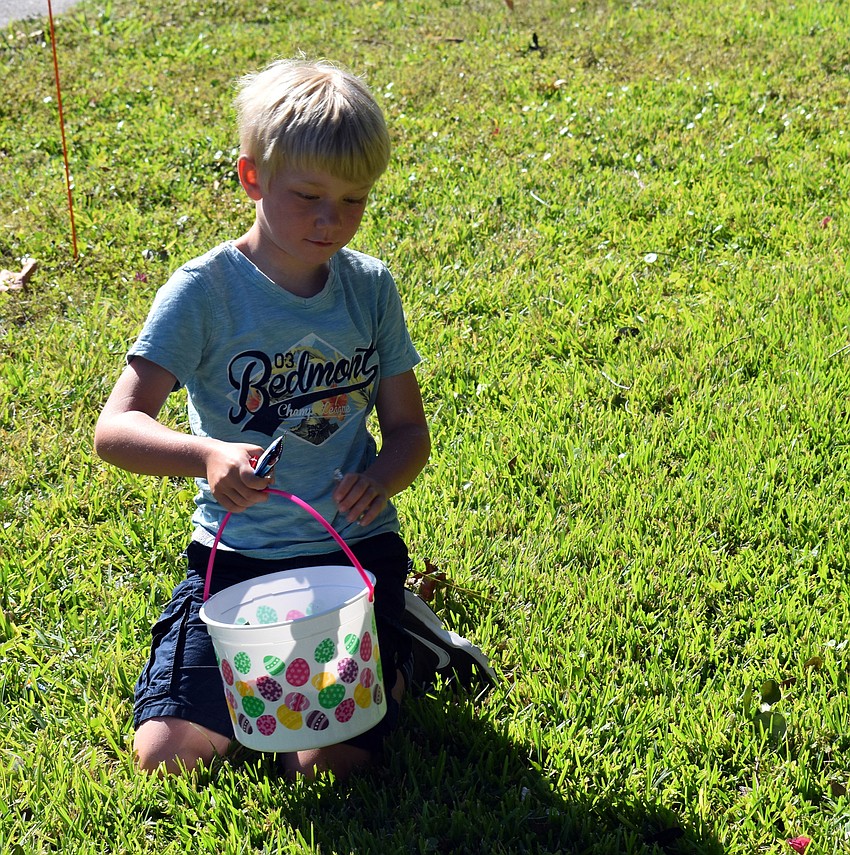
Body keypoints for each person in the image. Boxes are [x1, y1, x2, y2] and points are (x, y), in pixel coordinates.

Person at [95, 58, 493, 779]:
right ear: (252, 177)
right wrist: (206, 455)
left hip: (352, 555)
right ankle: (356, 652)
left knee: (323, 762)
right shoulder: (203, 293)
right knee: (166, 756)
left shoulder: (368, 288)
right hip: (237, 557)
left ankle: (401, 643)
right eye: (308, 195)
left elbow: (409, 431)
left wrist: (380, 478)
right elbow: (117, 428)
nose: (330, 219)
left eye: (353, 199)